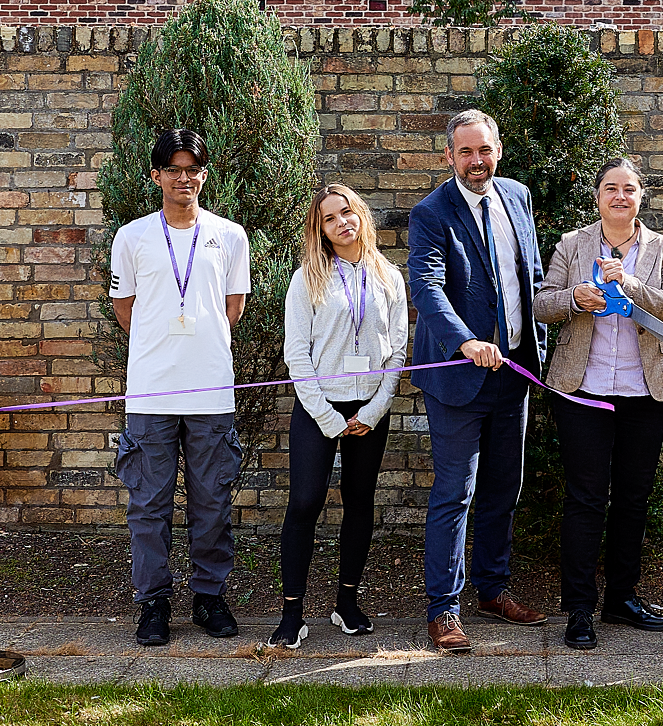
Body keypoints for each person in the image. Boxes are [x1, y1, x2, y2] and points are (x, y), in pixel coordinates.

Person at [408, 109, 549, 654]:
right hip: (458, 377)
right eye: (464, 152)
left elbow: (528, 275)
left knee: (502, 489)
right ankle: (443, 610)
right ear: (449, 156)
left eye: (484, 150)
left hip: (514, 371)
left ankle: (491, 590)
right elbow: (426, 286)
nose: (475, 161)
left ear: (498, 149)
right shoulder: (431, 213)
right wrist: (464, 339)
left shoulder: (517, 196)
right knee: (454, 493)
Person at [534, 158, 663, 650]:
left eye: (629, 189)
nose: (620, 197)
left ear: (641, 197)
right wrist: (576, 298)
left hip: (644, 391)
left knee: (632, 497)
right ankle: (579, 608)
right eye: (610, 189)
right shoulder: (571, 245)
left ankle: (622, 597)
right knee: (585, 497)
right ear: (597, 195)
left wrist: (632, 285)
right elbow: (541, 303)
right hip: (583, 389)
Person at [109, 128, 251, 646]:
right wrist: (161, 347)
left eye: (192, 168)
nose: (183, 177)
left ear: (204, 174)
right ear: (156, 176)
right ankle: (153, 603)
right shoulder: (132, 237)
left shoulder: (231, 236)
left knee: (212, 501)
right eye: (173, 169)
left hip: (211, 392)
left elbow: (231, 310)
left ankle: (210, 598)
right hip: (150, 392)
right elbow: (126, 310)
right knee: (148, 504)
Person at [268, 184, 408, 647]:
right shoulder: (307, 277)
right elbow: (297, 354)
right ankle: (292, 613)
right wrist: (327, 417)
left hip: (369, 408)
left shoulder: (388, 275)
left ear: (360, 215)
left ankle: (346, 603)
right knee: (304, 503)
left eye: (347, 212)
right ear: (321, 230)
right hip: (318, 407)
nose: (342, 223)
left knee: (359, 502)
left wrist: (375, 407)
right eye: (330, 218)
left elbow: (398, 353)